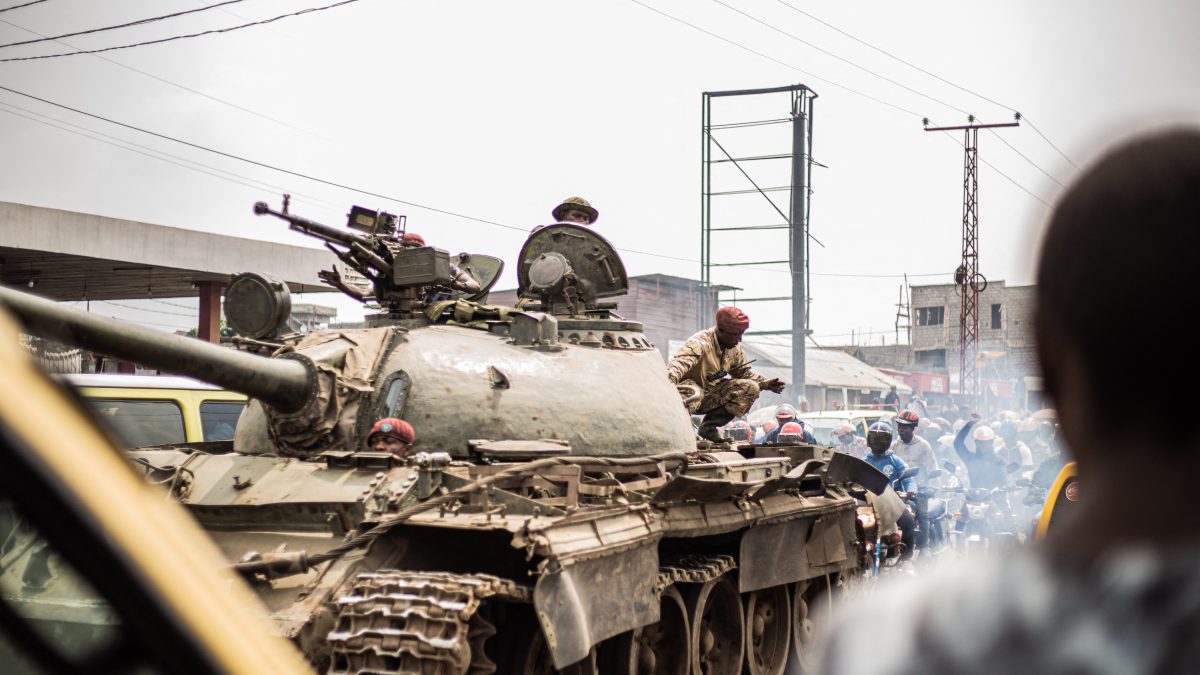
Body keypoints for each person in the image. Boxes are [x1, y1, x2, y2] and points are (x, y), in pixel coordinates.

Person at [817, 129, 1200, 675]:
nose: (888, 437)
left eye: (893, 432)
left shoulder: (895, 641)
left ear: (1045, 359)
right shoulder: (892, 454)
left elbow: (953, 467)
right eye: (887, 433)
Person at [667, 307, 785, 442]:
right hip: (686, 397)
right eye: (736, 334)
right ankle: (682, 433)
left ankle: (708, 428)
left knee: (751, 387)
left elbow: (744, 374)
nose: (740, 339)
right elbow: (680, 363)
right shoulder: (700, 343)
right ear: (721, 331)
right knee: (692, 388)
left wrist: (766, 383)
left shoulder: (733, 349)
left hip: (711, 396)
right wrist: (668, 378)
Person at [318, 232, 480, 303]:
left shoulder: (444, 267)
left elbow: (475, 286)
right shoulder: (394, 272)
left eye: (415, 248)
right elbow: (364, 294)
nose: (410, 251)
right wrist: (340, 284)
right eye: (405, 247)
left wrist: (452, 283)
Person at [864, 421, 917, 560]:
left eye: (881, 438)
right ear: (869, 440)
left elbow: (908, 478)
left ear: (888, 441)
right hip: (870, 505)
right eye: (874, 438)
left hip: (892, 503)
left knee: (909, 523)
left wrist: (911, 490)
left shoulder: (895, 461)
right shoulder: (864, 461)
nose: (877, 442)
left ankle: (906, 559)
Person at [953, 413, 1007, 490]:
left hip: (995, 499)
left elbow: (1006, 475)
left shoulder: (999, 461)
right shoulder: (970, 459)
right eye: (980, 442)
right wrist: (969, 424)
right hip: (973, 499)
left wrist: (1009, 484)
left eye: (986, 442)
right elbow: (958, 443)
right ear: (975, 442)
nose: (983, 445)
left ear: (991, 442)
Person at [891, 410, 940, 487]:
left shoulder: (923, 445)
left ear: (913, 429)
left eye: (904, 427)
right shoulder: (893, 446)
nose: (900, 430)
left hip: (919, 491)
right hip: (898, 490)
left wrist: (932, 488)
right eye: (899, 426)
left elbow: (932, 468)